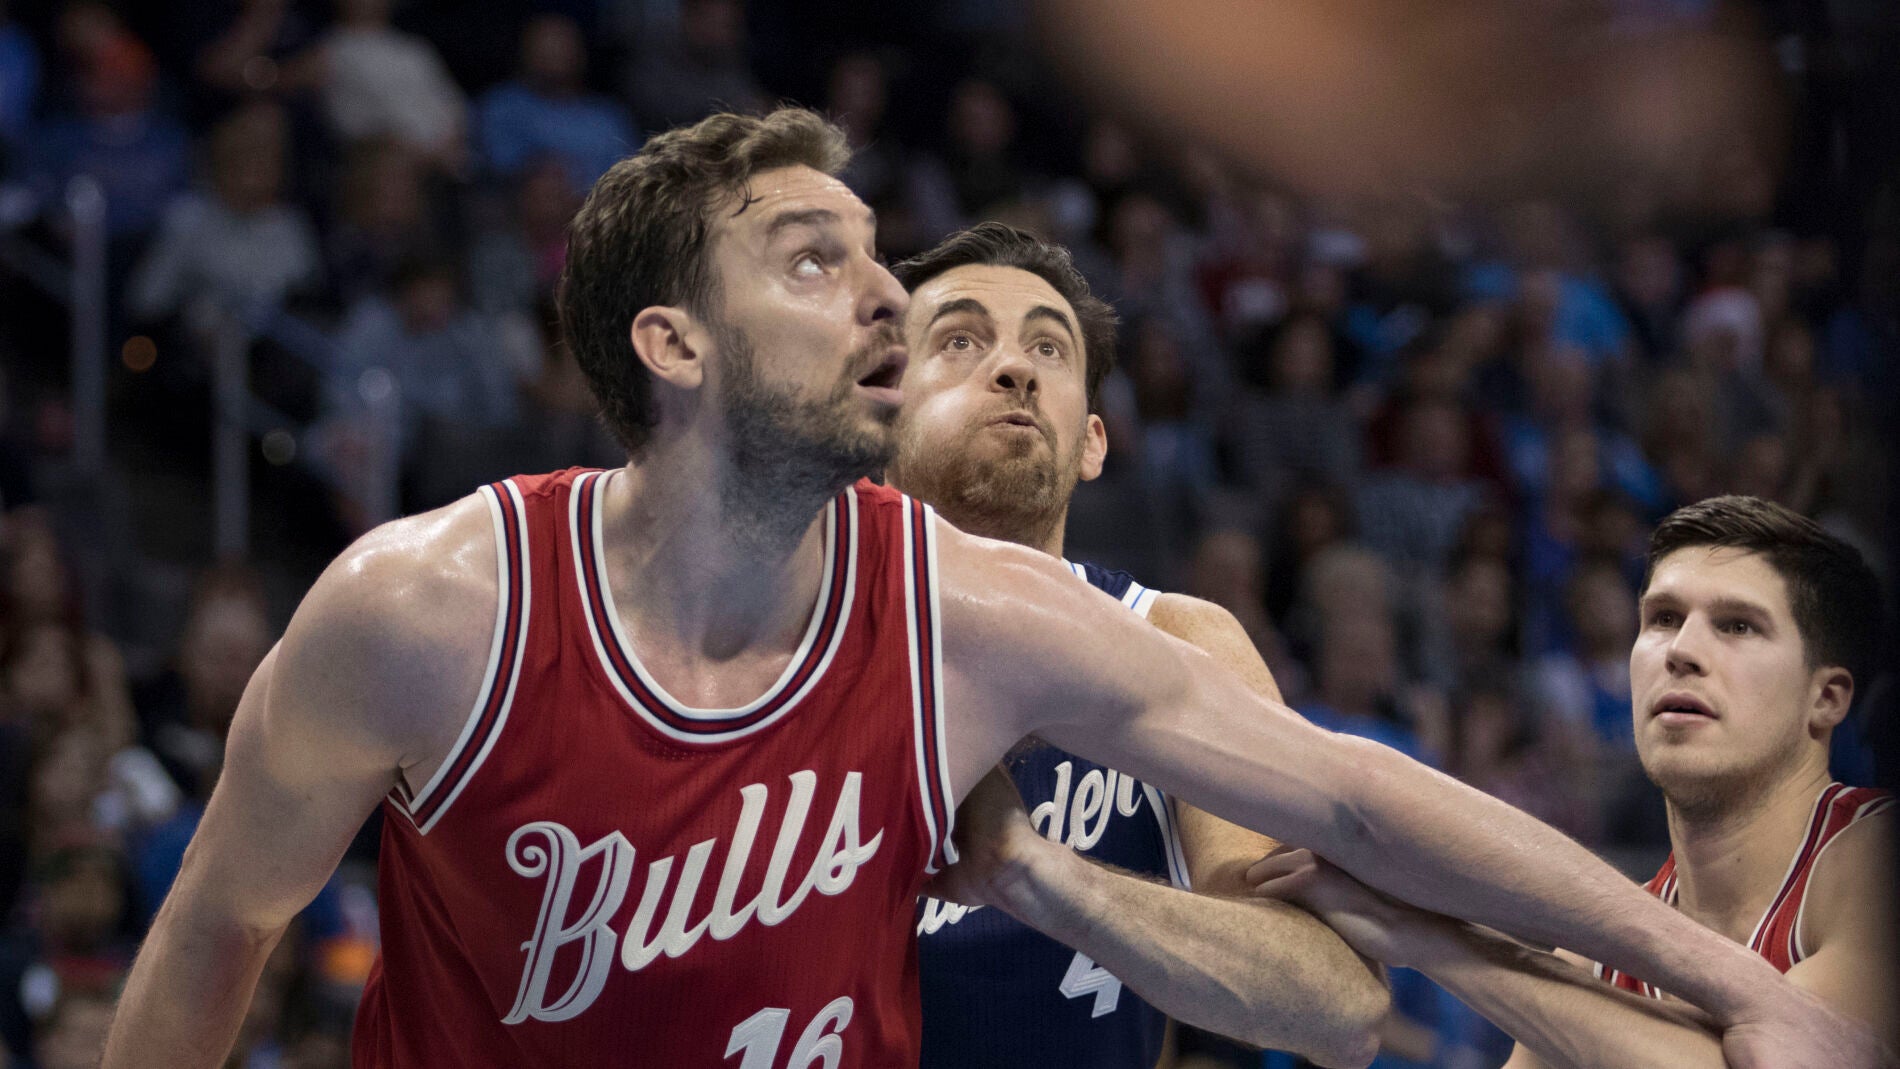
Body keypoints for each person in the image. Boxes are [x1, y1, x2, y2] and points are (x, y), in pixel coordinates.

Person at [102, 108, 1876, 1069]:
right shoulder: (427, 607)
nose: (880, 294)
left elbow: (1354, 794)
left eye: (887, 261)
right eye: (824, 264)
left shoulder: (986, 616)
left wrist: (1740, 985)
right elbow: (214, 928)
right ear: (673, 342)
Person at [887, 223, 1386, 1068]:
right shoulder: (785, 644)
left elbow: (1338, 1008)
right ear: (875, 415)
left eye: (1049, 348)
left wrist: (1044, 878)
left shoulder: (1176, 639)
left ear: (1091, 442)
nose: (1012, 368)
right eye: (960, 339)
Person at [1252, 494, 1896, 1067]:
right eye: (1664, 618)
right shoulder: (1588, 965)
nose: (1681, 650)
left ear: (1826, 699)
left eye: (1737, 626)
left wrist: (1428, 936)